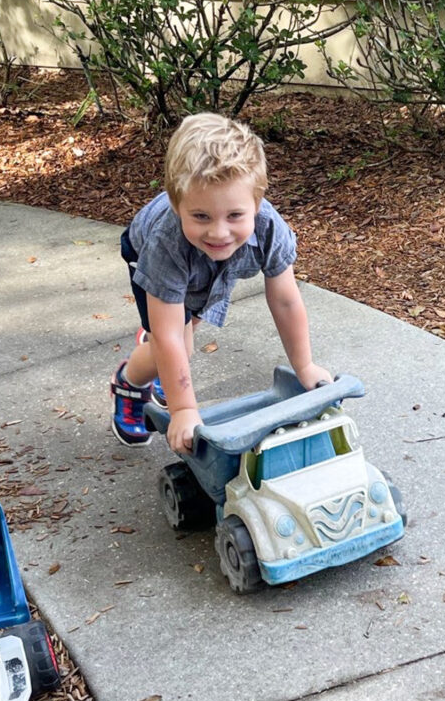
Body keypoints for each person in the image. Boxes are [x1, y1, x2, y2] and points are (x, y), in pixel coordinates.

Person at [110, 113, 332, 452]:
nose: (218, 232)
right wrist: (185, 410)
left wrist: (304, 366)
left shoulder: (269, 227)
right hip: (150, 259)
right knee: (174, 343)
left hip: (200, 271)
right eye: (201, 216)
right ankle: (128, 383)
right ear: (176, 204)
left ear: (256, 204)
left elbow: (286, 300)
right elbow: (169, 334)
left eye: (235, 216)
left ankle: (161, 346)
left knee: (185, 325)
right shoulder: (165, 242)